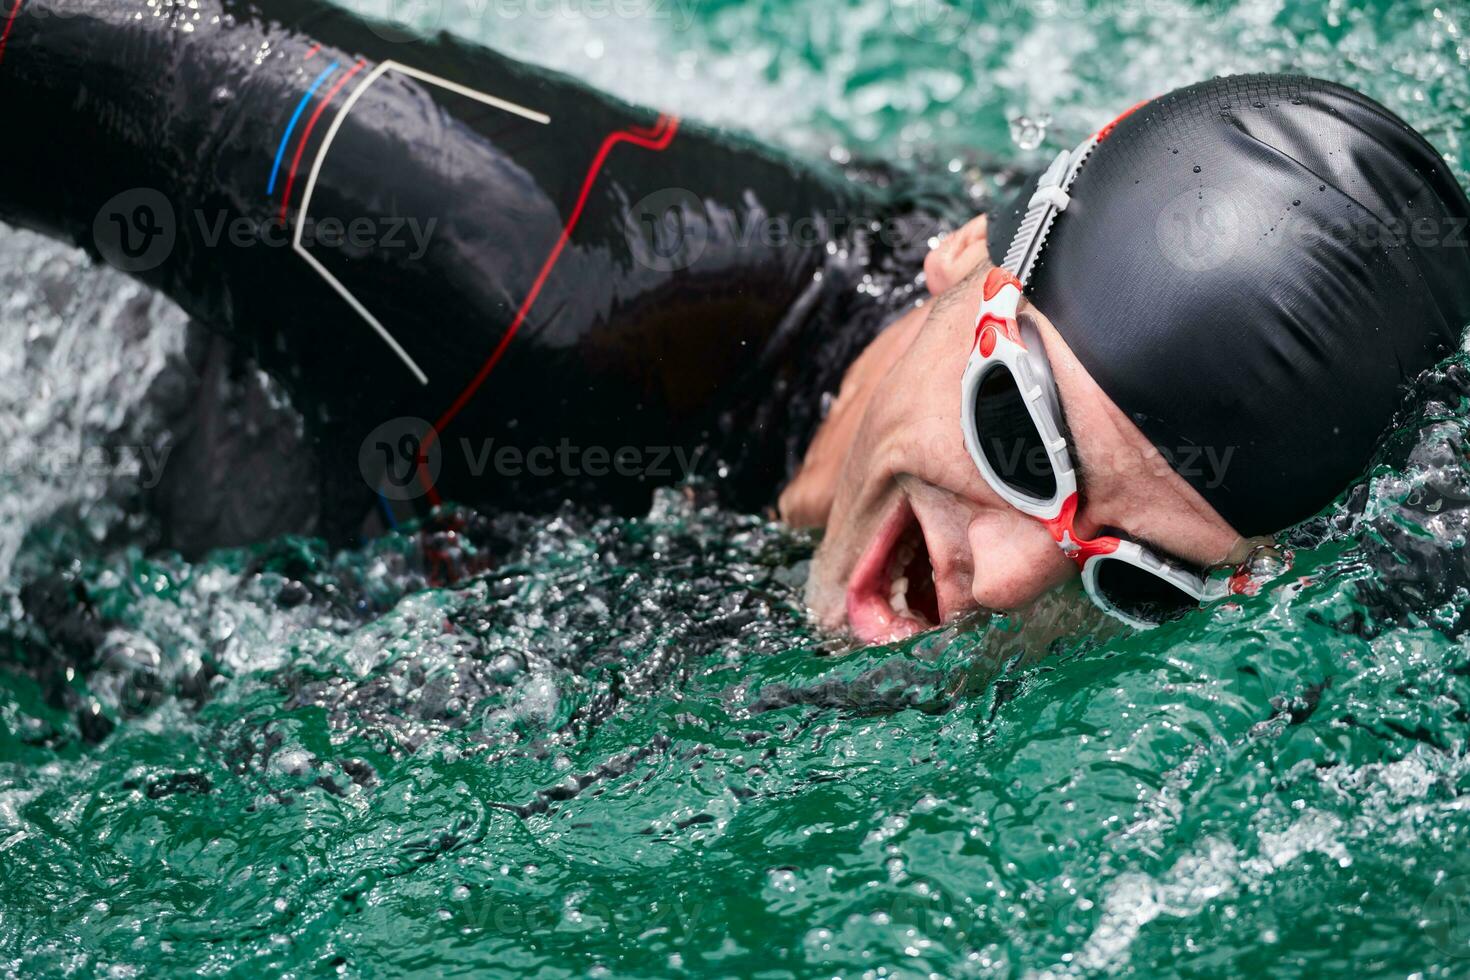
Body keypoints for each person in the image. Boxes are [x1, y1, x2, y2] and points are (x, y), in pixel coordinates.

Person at [2, 4, 1467, 642]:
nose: (1015, 576)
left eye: (1135, 579)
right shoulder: (518, 268)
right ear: (966, 259)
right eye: (1017, 438)